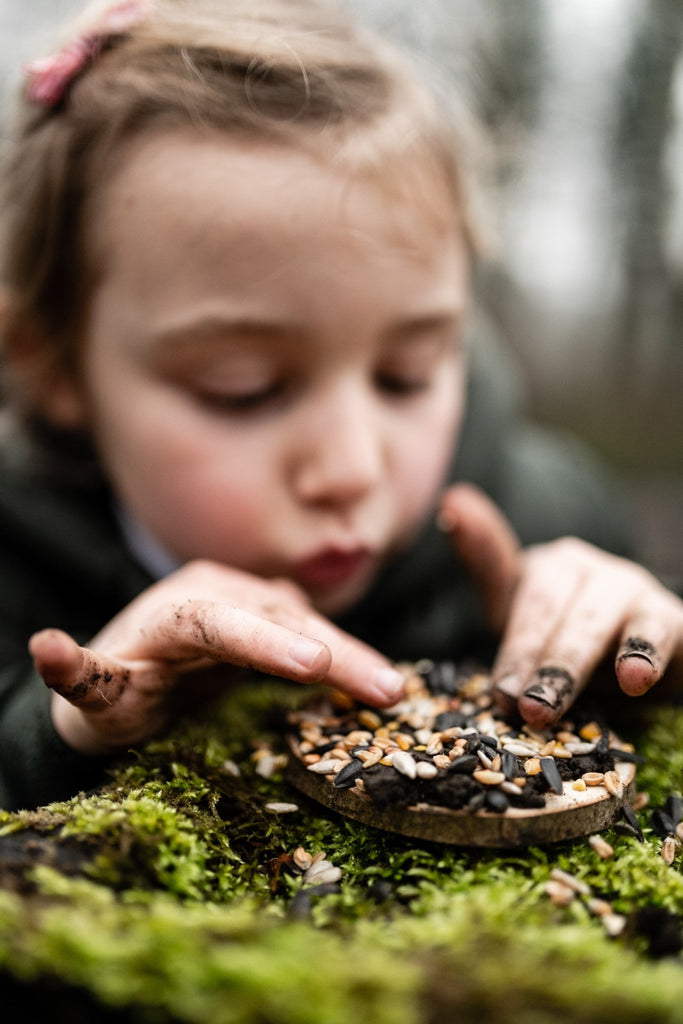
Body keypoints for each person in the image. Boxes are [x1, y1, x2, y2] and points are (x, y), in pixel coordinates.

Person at [0, 0, 680, 812]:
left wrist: (637, 668)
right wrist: (59, 731)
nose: (353, 468)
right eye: (243, 389)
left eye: (407, 374)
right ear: (52, 367)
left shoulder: (550, 507)